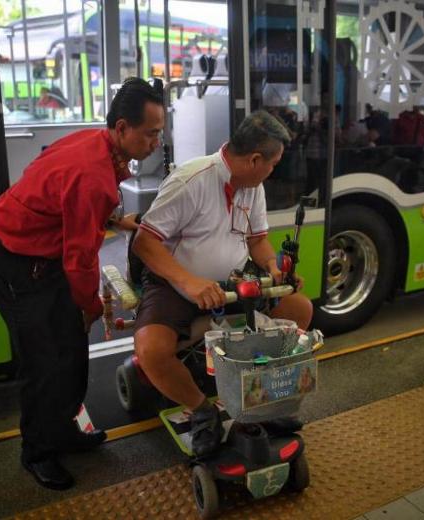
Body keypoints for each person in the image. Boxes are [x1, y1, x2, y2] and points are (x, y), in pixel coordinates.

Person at [0, 78, 163, 490]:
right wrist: (92, 307)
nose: (156, 142)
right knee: (44, 361)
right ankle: (38, 452)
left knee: (73, 350)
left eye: (160, 132)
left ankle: (63, 431)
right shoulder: (92, 173)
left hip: (43, 257)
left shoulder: (95, 144)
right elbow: (79, 259)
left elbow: (61, 199)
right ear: (121, 129)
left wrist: (114, 220)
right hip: (14, 263)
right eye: (150, 133)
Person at [131, 110, 314, 457]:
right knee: (151, 350)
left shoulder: (252, 186)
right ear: (255, 159)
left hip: (232, 283)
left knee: (299, 311)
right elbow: (144, 242)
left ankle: (262, 402)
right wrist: (190, 283)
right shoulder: (191, 180)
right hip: (175, 283)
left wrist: (275, 270)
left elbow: (257, 241)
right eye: (272, 164)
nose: (273, 172)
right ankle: (202, 411)